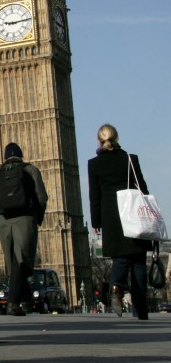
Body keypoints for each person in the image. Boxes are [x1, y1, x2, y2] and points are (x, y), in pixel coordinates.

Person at [89, 123, 152, 320]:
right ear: (117, 138)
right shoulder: (130, 159)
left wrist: (96, 221)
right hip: (133, 213)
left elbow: (95, 196)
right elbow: (142, 188)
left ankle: (116, 285)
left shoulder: (94, 163)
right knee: (139, 263)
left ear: (99, 140)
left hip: (111, 215)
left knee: (120, 259)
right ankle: (141, 311)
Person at [0, 142, 48, 316]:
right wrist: (37, 217)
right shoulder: (30, 170)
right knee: (22, 260)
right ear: (21, 156)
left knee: (13, 261)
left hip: (4, 221)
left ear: (5, 158)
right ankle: (13, 303)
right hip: (25, 219)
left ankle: (26, 300)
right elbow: (41, 197)